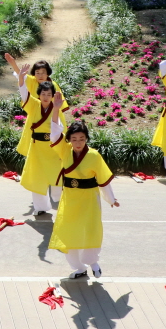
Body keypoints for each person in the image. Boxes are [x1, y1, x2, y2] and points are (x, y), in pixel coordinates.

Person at [49, 93, 120, 280]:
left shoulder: (95, 156)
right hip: (70, 199)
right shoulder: (64, 150)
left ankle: (93, 262)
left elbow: (103, 180)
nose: (78, 143)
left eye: (81, 139)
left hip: (89, 200)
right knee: (68, 234)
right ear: (69, 140)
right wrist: (55, 109)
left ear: (86, 138)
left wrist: (111, 199)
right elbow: (55, 133)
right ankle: (79, 268)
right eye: (74, 139)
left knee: (90, 231)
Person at [6, 54, 66, 217]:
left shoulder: (55, 107)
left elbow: (58, 127)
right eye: (43, 94)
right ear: (39, 94)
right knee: (37, 176)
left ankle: (61, 202)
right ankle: (40, 207)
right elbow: (24, 91)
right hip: (37, 148)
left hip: (52, 147)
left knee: (57, 175)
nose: (46, 97)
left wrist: (56, 108)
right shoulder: (33, 103)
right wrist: (19, 75)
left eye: (49, 94)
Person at [5, 54, 70, 160]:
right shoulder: (32, 81)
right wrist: (13, 63)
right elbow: (21, 77)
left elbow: (58, 103)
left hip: (52, 116)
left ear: (47, 73)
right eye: (37, 72)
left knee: (56, 144)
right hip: (35, 115)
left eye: (43, 72)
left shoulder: (53, 85)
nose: (40, 75)